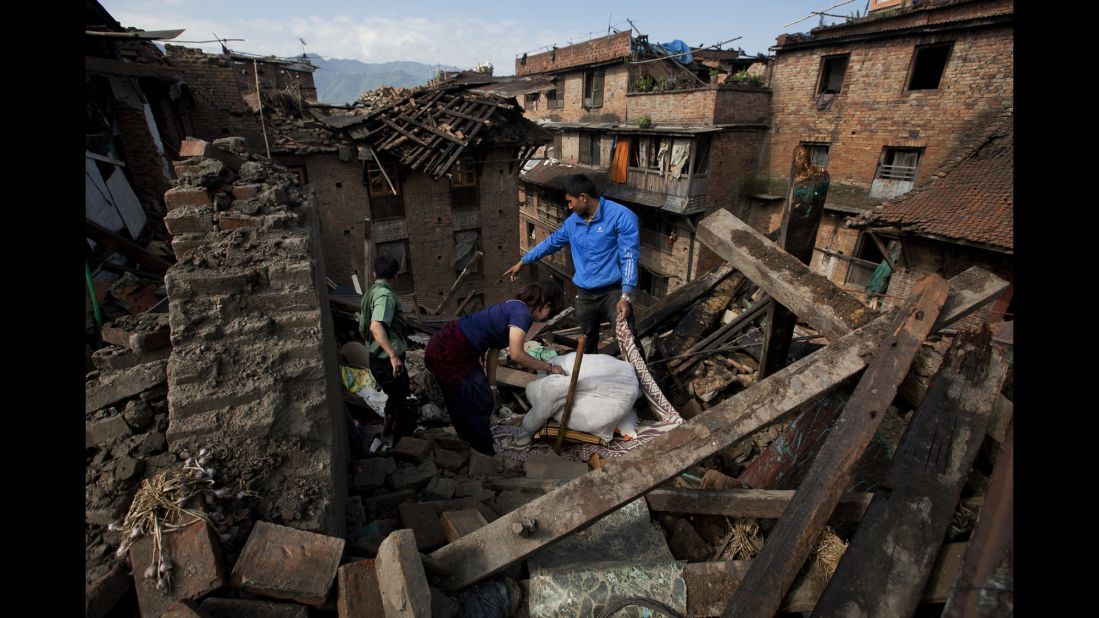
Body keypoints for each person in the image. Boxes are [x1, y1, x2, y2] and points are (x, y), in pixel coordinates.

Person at [503, 174, 641, 354]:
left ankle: (641, 380)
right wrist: (524, 261)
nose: (569, 206)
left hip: (613, 292)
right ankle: (590, 379)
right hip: (585, 294)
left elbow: (629, 256)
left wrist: (626, 296)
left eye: (570, 201)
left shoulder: (621, 216)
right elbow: (550, 243)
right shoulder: (572, 223)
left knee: (628, 339)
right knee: (586, 344)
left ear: (583, 197)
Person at [424, 280, 567, 455]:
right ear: (546, 305)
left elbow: (494, 350)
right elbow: (516, 354)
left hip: (455, 348)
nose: (546, 319)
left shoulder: (514, 306)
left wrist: (492, 386)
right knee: (472, 400)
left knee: (478, 396)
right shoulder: (523, 315)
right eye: (550, 313)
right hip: (448, 351)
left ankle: (470, 444)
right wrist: (550, 368)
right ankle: (481, 451)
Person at [360, 255, 415, 444]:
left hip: (377, 356)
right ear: (396, 275)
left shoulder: (370, 293)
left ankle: (386, 433)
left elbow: (364, 328)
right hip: (386, 360)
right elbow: (375, 326)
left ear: (374, 274)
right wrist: (392, 355)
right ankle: (401, 443)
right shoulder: (385, 296)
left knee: (395, 395)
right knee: (402, 400)